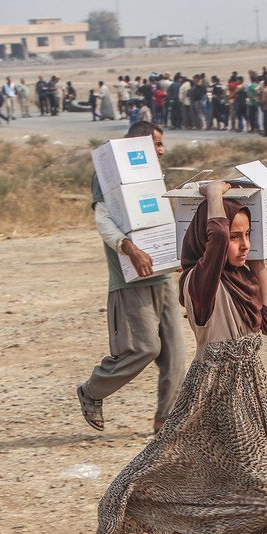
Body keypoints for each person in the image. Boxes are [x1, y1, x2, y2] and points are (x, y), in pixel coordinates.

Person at [93, 179, 267, 534]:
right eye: (234, 236)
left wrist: (260, 263)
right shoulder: (199, 281)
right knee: (263, 495)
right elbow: (212, 241)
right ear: (211, 237)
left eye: (247, 235)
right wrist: (213, 194)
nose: (241, 244)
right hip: (220, 394)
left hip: (256, 393)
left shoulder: (240, 279)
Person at [77, 121, 184, 435]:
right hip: (130, 280)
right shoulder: (106, 172)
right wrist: (129, 248)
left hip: (161, 278)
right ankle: (92, 391)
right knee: (143, 349)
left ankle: (165, 423)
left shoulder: (151, 173)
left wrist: (173, 255)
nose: (162, 151)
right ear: (137, 144)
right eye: (157, 144)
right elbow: (103, 219)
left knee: (176, 357)